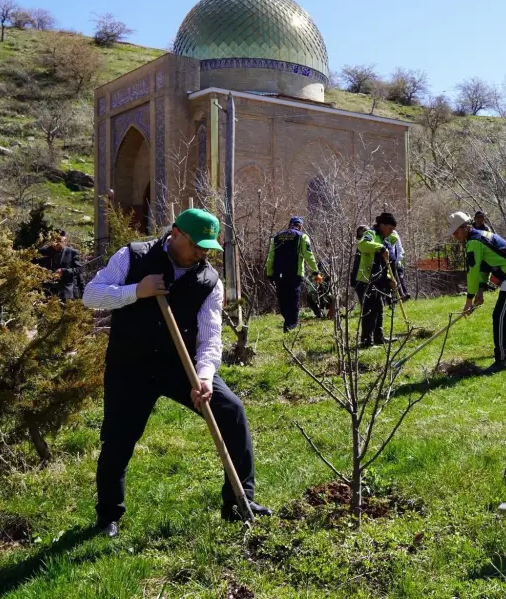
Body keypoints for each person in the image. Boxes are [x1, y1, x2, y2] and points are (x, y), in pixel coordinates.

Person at [83, 208, 272, 538]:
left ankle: (240, 501)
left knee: (231, 411)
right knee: (118, 438)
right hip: (131, 364)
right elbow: (91, 295)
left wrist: (203, 376)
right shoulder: (133, 256)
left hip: (178, 365)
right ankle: (108, 516)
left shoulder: (209, 281)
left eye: (207, 247)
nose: (202, 252)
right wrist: (135, 291)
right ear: (176, 234)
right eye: (197, 245)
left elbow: (210, 336)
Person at [445, 211, 506, 375]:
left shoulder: (474, 242)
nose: (454, 235)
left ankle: (500, 361)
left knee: (499, 317)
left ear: (465, 227)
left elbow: (472, 271)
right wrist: (480, 290)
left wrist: (469, 300)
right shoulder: (478, 236)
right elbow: (485, 265)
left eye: (456, 231)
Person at [266, 216, 321, 332]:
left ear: (289, 224)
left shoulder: (276, 237)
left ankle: (287, 323)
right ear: (300, 226)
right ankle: (291, 325)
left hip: (279, 274)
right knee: (293, 299)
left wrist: (270, 273)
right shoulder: (302, 236)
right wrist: (315, 272)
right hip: (294, 274)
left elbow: (271, 256)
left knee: (283, 299)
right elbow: (308, 256)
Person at [355, 214, 398, 347]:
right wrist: (380, 248)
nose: (391, 232)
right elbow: (362, 245)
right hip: (366, 280)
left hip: (379, 280)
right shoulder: (371, 234)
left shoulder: (384, 239)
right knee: (369, 311)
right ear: (383, 225)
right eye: (390, 228)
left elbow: (384, 263)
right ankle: (366, 340)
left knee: (379, 308)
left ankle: (379, 337)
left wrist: (390, 279)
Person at [33, 229, 85, 301]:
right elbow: (34, 267)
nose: (56, 243)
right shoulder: (43, 251)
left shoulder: (72, 252)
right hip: (46, 291)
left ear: (65, 240)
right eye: (55, 240)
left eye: (59, 241)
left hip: (66, 291)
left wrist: (64, 271)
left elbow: (79, 269)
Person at [382, 213, 411, 302]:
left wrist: (398, 259)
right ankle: (392, 298)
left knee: (399, 278)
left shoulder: (394, 234)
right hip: (386, 260)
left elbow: (399, 247)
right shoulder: (382, 235)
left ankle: (403, 294)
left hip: (395, 260)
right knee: (390, 280)